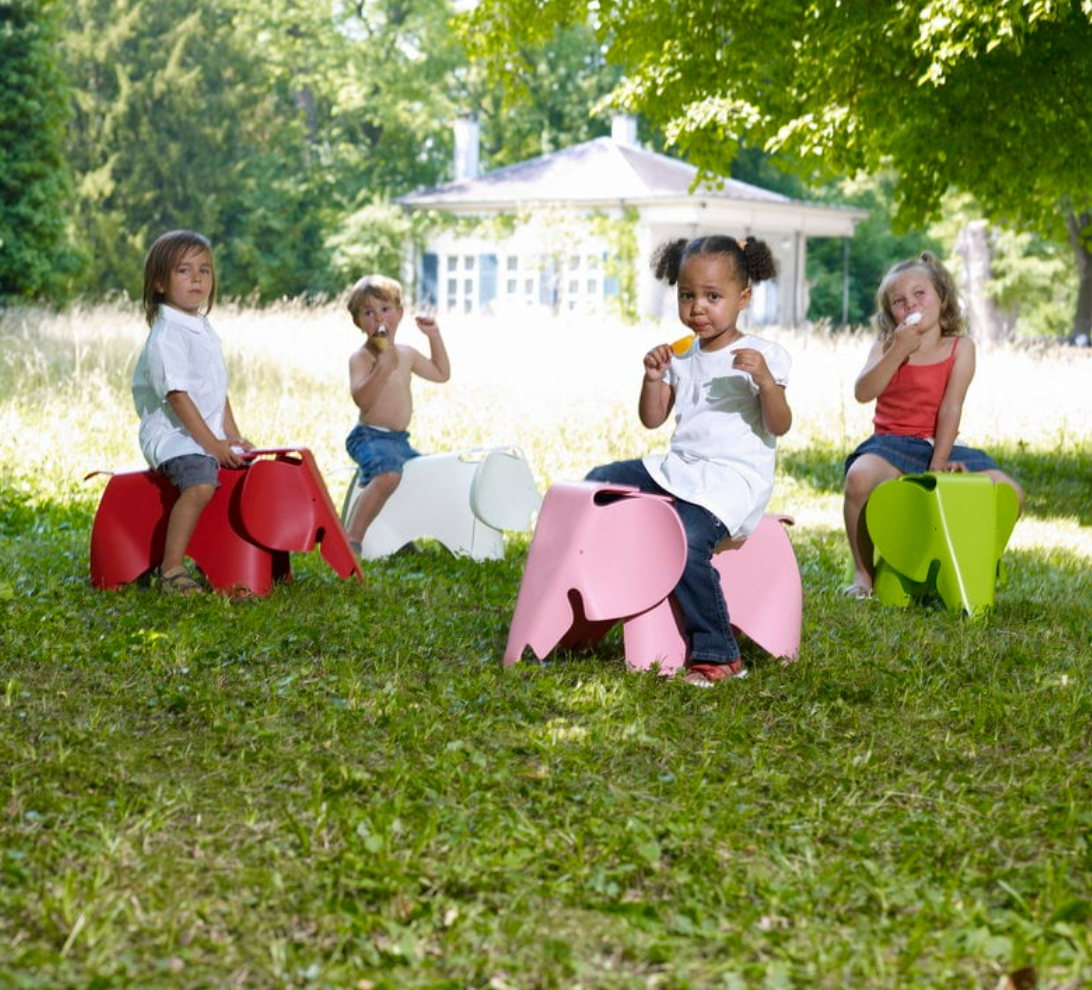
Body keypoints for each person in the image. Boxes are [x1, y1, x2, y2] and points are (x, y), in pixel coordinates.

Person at [585, 235, 793, 686]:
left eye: (712, 297)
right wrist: (653, 377)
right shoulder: (681, 353)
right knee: (596, 485)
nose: (698, 307)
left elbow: (778, 425)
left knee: (684, 538)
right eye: (687, 295)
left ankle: (719, 653)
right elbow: (652, 419)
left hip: (729, 483)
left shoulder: (765, 356)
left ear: (743, 299)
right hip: (678, 469)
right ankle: (594, 606)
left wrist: (766, 383)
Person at [842, 251, 1025, 599]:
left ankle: (976, 564)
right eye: (899, 301)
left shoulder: (961, 347)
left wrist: (940, 461)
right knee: (859, 477)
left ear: (942, 298)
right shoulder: (885, 346)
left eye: (919, 293)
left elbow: (950, 409)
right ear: (890, 313)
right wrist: (897, 352)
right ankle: (864, 574)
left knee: (1011, 493)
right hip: (890, 444)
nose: (910, 303)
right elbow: (862, 392)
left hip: (942, 443)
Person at [131, 230, 253, 595]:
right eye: (184, 271)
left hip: (202, 433)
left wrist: (230, 435)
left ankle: (233, 555)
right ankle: (170, 570)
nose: (197, 278)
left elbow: (217, 391)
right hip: (173, 436)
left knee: (248, 466)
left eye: (205, 270)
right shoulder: (168, 334)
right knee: (200, 480)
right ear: (159, 282)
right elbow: (179, 397)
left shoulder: (201, 327)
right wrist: (214, 445)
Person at [343, 274, 451, 555]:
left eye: (385, 309)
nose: (378, 317)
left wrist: (434, 336)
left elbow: (441, 374)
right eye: (368, 312)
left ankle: (406, 540)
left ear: (399, 314)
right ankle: (352, 539)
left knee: (426, 478)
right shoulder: (362, 357)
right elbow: (362, 400)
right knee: (389, 476)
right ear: (358, 322)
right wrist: (382, 368)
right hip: (369, 437)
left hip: (400, 440)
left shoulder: (406, 353)